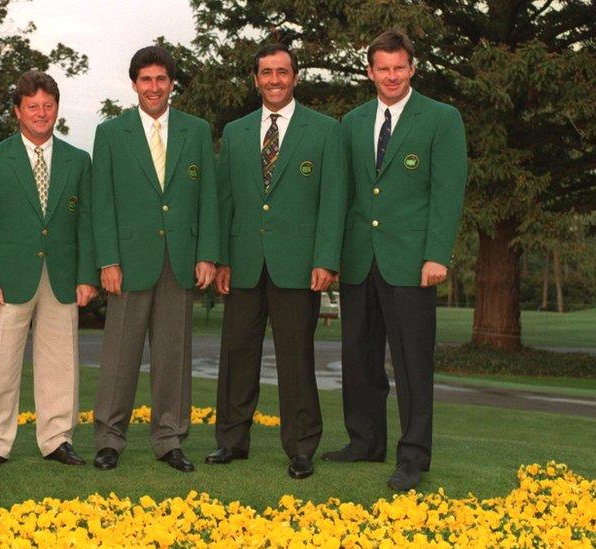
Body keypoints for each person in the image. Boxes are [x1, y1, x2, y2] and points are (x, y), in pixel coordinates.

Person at [323, 29, 467, 492]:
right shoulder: (350, 122)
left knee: (411, 363)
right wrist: (333, 255)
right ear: (370, 72)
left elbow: (447, 192)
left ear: (412, 68)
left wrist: (436, 254)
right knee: (358, 358)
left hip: (412, 263)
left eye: (399, 67)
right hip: (360, 259)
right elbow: (341, 196)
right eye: (382, 68)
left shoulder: (442, 119)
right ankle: (365, 442)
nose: (391, 75)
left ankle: (413, 456)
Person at [206, 44, 346, 479]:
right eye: (266, 72)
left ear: (295, 77)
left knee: (297, 358)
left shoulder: (325, 131)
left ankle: (301, 447)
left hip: (299, 264)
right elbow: (224, 200)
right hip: (244, 262)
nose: (274, 79)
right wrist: (223, 258)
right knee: (236, 354)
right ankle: (231, 441)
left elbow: (333, 202)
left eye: (282, 71)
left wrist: (326, 258)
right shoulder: (235, 131)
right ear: (255, 79)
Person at [91, 46, 219, 472]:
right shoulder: (111, 134)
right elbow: (102, 202)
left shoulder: (196, 131)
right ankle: (109, 438)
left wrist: (207, 255)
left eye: (161, 79)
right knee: (119, 356)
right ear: (133, 84)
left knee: (173, 356)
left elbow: (208, 199)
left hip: (179, 259)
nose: (153, 87)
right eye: (145, 80)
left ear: (171, 84)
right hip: (127, 261)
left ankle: (170, 439)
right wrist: (107, 259)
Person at [0, 71, 98, 470]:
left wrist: (87, 275)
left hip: (61, 275)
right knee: (0, 362)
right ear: (17, 111)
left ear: (57, 108)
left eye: (48, 105)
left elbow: (87, 221)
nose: (41, 113)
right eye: (32, 106)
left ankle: (57, 438)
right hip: (6, 279)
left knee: (61, 362)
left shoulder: (78, 160)